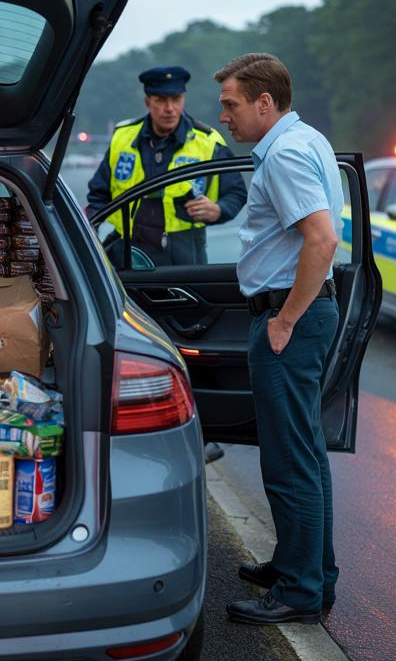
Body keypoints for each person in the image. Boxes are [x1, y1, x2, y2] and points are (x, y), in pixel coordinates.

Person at [214, 53, 343, 625]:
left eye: (231, 104)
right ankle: (308, 571)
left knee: (290, 463)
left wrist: (286, 319)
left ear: (265, 102)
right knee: (307, 456)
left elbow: (321, 240)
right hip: (305, 310)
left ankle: (298, 591)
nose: (224, 117)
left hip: (292, 314)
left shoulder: (285, 153)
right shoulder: (307, 139)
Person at [86, 65, 247, 266]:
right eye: (160, 100)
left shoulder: (209, 142)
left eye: (176, 100)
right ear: (148, 102)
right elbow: (98, 195)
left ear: (183, 100)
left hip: (184, 252)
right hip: (126, 250)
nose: (169, 108)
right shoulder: (122, 136)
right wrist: (91, 229)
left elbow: (237, 193)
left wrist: (218, 209)